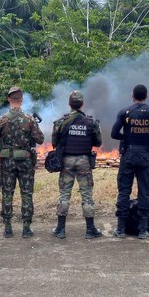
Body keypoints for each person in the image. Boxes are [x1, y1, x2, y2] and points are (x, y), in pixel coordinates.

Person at [110, 84, 149, 239]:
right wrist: (148, 130)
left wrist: (128, 137)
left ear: (132, 95)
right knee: (144, 192)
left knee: (124, 192)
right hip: (145, 156)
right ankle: (142, 230)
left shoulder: (125, 112)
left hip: (128, 155)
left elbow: (114, 134)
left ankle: (120, 229)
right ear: (146, 95)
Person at [0, 86, 44, 238]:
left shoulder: (1, 121)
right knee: (26, 193)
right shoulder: (29, 119)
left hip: (7, 161)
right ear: (21, 100)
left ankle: (8, 227)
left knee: (7, 193)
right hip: (25, 162)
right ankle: (26, 228)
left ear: (9, 99)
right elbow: (40, 139)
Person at [50, 90, 103, 239]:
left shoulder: (61, 121)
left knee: (64, 194)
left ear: (69, 104)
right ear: (82, 104)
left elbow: (54, 142)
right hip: (84, 161)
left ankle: (60, 229)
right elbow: (98, 142)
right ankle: (90, 229)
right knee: (86, 195)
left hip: (66, 161)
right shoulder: (90, 122)